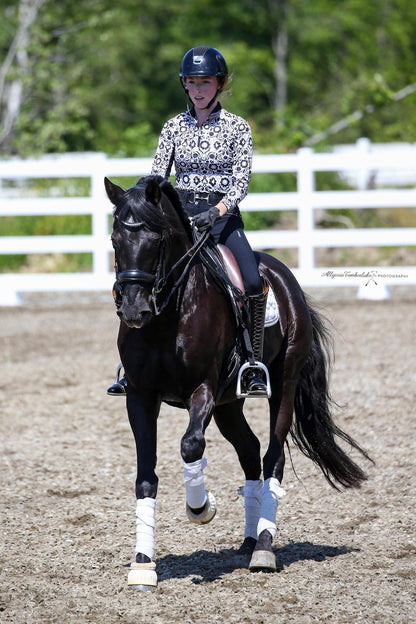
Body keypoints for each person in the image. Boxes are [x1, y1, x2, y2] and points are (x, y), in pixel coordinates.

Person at [107, 45, 269, 397]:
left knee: (253, 282)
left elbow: (241, 182)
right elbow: (156, 178)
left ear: (220, 84)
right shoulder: (173, 127)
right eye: (192, 82)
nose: (198, 89)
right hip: (178, 219)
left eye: (205, 82)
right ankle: (129, 365)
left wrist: (217, 211)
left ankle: (253, 364)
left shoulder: (237, 128)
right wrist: (139, 201)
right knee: (142, 275)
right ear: (185, 85)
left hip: (222, 220)